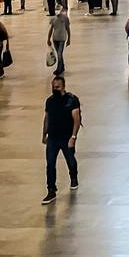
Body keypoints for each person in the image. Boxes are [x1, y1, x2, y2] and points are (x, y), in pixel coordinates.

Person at [41, 75, 81, 204]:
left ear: (63, 87)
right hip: (52, 137)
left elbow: (76, 119)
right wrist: (44, 134)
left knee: (70, 160)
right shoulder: (50, 101)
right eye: (53, 87)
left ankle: (73, 177)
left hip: (66, 137)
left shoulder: (72, 100)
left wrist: (73, 137)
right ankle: (51, 190)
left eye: (57, 87)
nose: (54, 89)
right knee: (50, 164)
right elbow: (47, 118)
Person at [47, 5, 71, 76]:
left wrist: (69, 39)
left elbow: (68, 29)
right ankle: (62, 66)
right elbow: (51, 29)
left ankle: (59, 69)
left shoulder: (65, 18)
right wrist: (48, 39)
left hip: (62, 39)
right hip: (55, 38)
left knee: (59, 54)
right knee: (58, 54)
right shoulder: (53, 19)